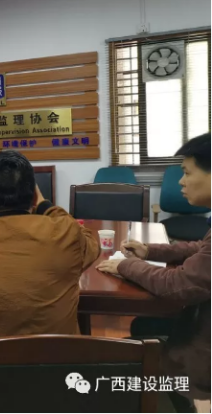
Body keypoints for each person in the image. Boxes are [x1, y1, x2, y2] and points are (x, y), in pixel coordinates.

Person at [97, 133, 210, 402]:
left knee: (108, 368)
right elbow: (201, 248)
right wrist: (150, 251)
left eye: (187, 172)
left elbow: (177, 284)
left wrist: (127, 265)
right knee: (143, 325)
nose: (181, 181)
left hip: (202, 358)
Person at [0, 150, 100, 341]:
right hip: (59, 356)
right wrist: (44, 205)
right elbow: (91, 244)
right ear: (34, 197)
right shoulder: (67, 234)